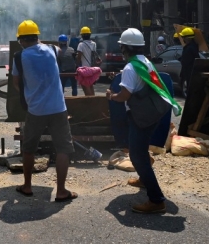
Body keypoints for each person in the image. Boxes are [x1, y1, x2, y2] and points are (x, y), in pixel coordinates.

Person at [106, 28, 180, 214]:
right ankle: (143, 179)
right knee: (140, 148)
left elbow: (124, 96)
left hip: (141, 117)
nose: (121, 50)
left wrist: (111, 95)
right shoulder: (144, 62)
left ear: (126, 48)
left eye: (122, 47)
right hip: (153, 113)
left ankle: (156, 200)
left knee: (137, 156)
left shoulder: (131, 68)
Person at [12, 20, 77, 202]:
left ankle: (27, 186)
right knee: (63, 148)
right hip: (58, 108)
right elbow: (57, 51)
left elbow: (17, 83)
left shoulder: (19, 57)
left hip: (36, 110)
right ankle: (61, 191)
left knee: (29, 148)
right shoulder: (53, 49)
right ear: (37, 37)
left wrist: (30, 94)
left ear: (21, 40)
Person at [76, 26, 98, 95]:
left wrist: (76, 65)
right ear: (89, 35)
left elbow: (79, 57)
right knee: (90, 85)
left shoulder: (81, 45)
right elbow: (93, 55)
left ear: (82, 35)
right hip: (92, 69)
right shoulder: (94, 44)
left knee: (85, 87)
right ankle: (93, 101)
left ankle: (89, 102)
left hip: (84, 69)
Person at [178, 27, 199, 98]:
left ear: (188, 38)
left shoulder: (189, 48)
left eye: (183, 37)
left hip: (189, 73)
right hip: (190, 73)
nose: (183, 39)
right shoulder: (194, 47)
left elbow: (186, 61)